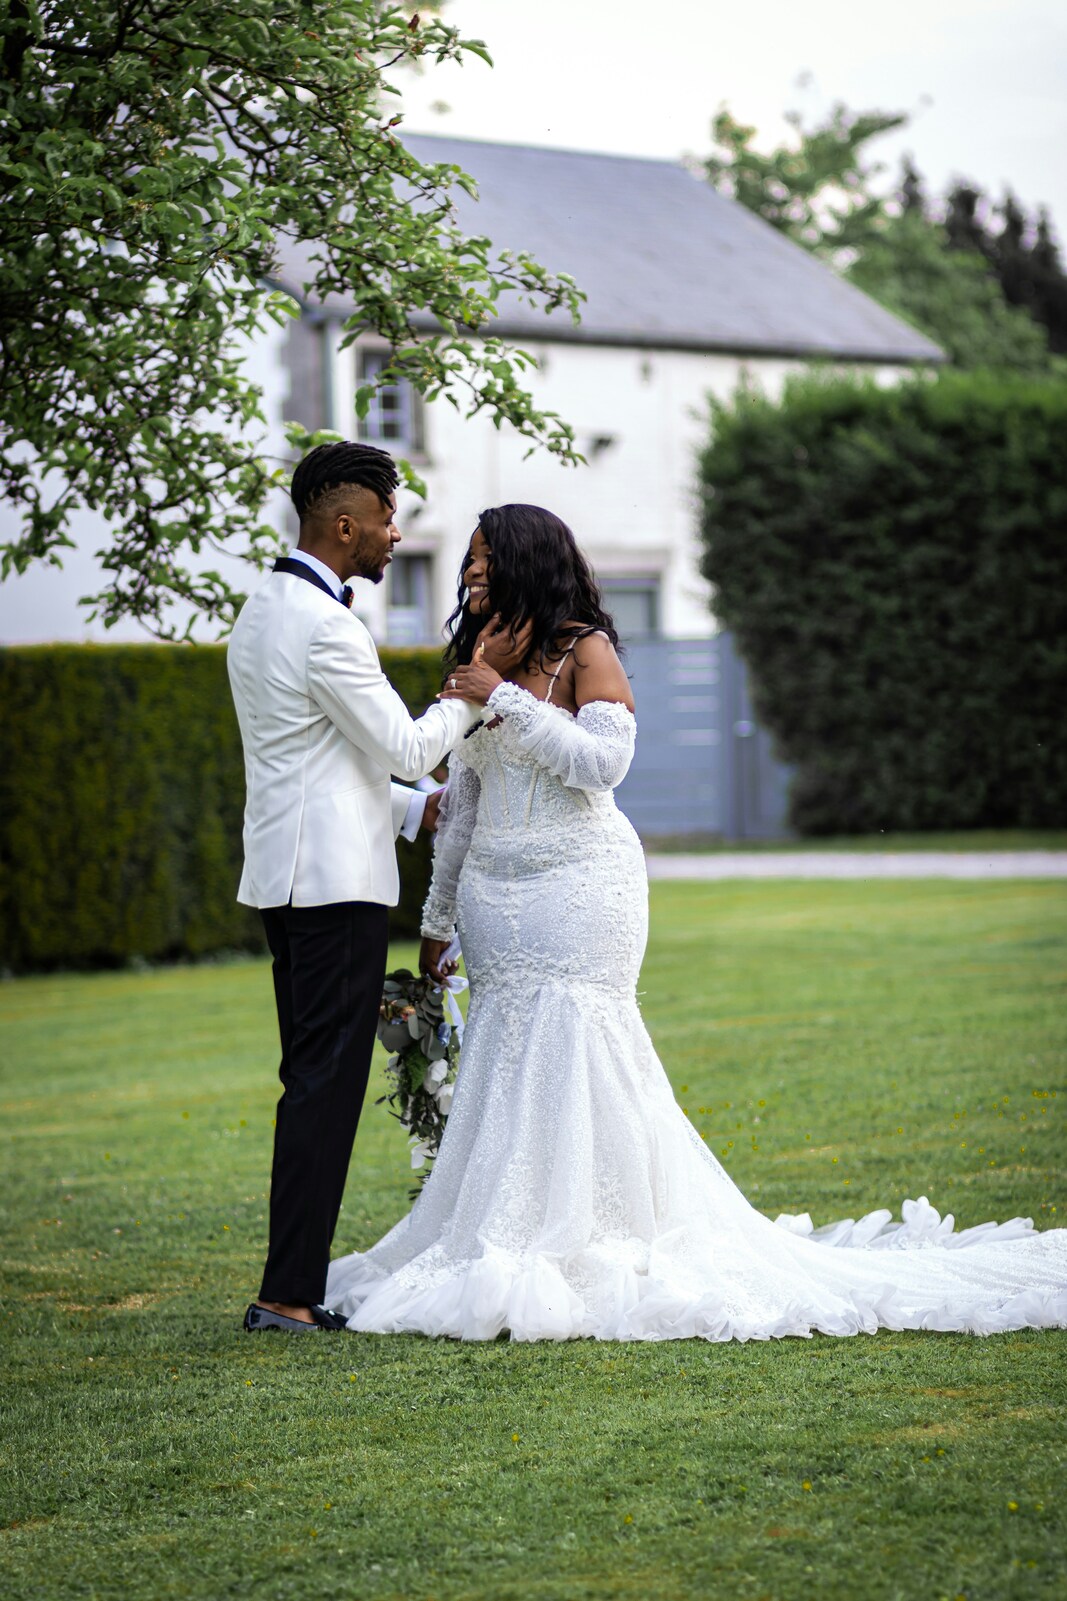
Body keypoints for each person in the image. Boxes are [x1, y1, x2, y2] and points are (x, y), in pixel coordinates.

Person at [326, 503, 1067, 1342]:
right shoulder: (473, 658)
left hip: (580, 884)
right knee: (506, 1048)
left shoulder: (583, 650)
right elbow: (460, 804)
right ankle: (501, 1227)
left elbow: (603, 766)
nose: (469, 572)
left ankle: (606, 1231)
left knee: (582, 1038)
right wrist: (436, 916)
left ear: (529, 560)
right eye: (467, 559)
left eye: (484, 558)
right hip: (494, 896)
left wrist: (505, 699)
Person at [227, 444, 520, 1334]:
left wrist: (412, 809)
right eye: (389, 519)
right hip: (333, 888)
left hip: (288, 880)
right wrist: (474, 689)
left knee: (310, 1079)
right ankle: (286, 1294)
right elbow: (405, 743)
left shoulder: (263, 607)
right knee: (323, 1086)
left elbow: (310, 757)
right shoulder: (326, 625)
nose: (397, 533)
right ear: (345, 524)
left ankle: (289, 1283)